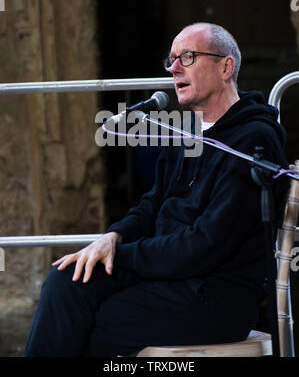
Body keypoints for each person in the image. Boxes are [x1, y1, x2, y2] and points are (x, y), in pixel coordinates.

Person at [24, 22, 290, 357]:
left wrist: (122, 258)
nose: (174, 67)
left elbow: (206, 244)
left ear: (226, 67)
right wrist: (113, 238)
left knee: (92, 323)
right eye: (172, 59)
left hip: (214, 297)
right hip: (166, 279)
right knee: (67, 281)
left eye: (188, 57)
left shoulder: (254, 140)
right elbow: (150, 206)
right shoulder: (186, 133)